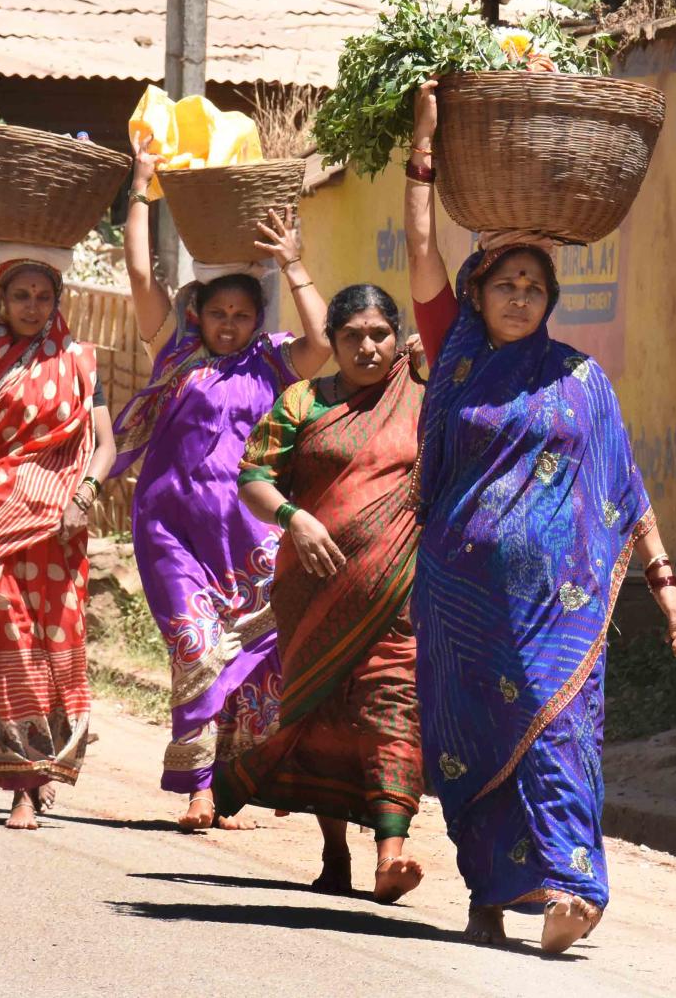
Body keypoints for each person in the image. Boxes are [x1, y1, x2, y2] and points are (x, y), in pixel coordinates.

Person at [405, 81, 676, 953]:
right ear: (480, 289)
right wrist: (424, 145)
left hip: (557, 611)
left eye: (536, 284)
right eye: (507, 281)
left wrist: (663, 575)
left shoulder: (580, 379)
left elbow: (625, 483)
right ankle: (489, 893)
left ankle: (573, 885)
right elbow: (420, 247)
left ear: (551, 298)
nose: (522, 295)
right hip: (459, 603)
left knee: (560, 728)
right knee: (470, 742)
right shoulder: (452, 353)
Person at [111, 139, 333, 831]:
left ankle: (233, 780)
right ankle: (199, 788)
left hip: (245, 535)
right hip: (170, 531)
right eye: (219, 314)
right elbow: (140, 272)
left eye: (242, 314)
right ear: (198, 314)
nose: (230, 324)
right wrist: (142, 189)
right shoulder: (173, 353)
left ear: (256, 318)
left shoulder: (272, 363)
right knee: (197, 648)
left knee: (262, 650)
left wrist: (292, 264)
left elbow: (325, 341)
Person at [217, 284, 426, 903]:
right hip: (310, 591)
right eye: (352, 335)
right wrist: (294, 519)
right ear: (332, 342)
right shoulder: (302, 401)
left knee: (393, 706)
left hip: (397, 593)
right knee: (319, 714)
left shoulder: (421, 395)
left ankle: (391, 852)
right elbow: (253, 476)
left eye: (379, 333)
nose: (367, 346)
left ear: (397, 335)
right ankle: (335, 852)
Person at [0, 117, 117, 831]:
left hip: (57, 525)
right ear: (0, 297)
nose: (33, 306)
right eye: (19, 295)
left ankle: (40, 768)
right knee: (3, 636)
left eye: (44, 295)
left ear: (57, 298)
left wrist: (84, 492)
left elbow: (105, 442)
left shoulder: (80, 361)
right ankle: (18, 776)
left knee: (48, 641)